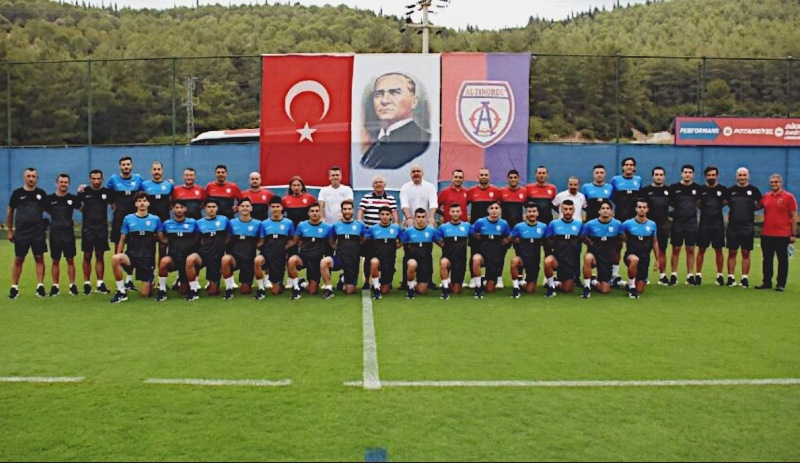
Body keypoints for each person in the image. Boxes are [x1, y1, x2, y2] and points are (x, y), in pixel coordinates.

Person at [360, 72, 431, 169]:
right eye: (379, 94)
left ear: (414, 102)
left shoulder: (423, 141)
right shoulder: (376, 143)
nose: (384, 101)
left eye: (394, 93)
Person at [108, 191, 163, 303]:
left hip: (147, 259)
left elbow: (161, 238)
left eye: (144, 201)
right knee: (115, 259)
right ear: (136, 204)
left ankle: (150, 281)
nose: (142, 203)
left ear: (148, 203)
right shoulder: (128, 219)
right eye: (139, 201)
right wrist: (119, 253)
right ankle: (121, 292)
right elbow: (122, 238)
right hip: (131, 256)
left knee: (145, 294)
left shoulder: (155, 219)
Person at [7, 167, 49, 299]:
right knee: (19, 259)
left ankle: (40, 286)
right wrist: (9, 230)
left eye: (33, 176)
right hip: (21, 232)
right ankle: (14, 287)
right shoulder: (17, 193)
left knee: (39, 258)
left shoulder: (41, 193)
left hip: (37, 232)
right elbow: (10, 211)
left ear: (37, 178)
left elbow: (50, 209)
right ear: (24, 177)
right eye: (29, 176)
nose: (31, 178)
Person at [105, 155, 144, 290]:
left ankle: (129, 280)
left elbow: (144, 193)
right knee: (118, 250)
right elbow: (106, 193)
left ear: (131, 165)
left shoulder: (138, 179)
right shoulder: (113, 179)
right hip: (119, 219)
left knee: (133, 249)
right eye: (123, 165)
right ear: (120, 166)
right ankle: (119, 282)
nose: (126, 167)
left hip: (134, 220)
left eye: (128, 164)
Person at [755, 174, 797, 292]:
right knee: (767, 259)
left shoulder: (788, 197)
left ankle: (781, 283)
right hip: (767, 234)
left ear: (780, 183)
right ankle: (767, 282)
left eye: (776, 182)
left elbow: (794, 216)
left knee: (782, 260)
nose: (774, 184)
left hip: (782, 235)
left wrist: (793, 234)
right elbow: (756, 206)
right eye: (772, 182)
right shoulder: (766, 196)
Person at [399, 163, 438, 290]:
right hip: (410, 224)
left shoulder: (430, 187)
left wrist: (431, 218)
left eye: (418, 171)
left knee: (427, 253)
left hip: (425, 224)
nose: (416, 173)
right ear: (410, 174)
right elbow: (404, 205)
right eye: (414, 171)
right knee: (407, 253)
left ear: (422, 173)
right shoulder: (405, 187)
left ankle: (428, 280)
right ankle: (405, 282)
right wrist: (409, 218)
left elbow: (433, 204)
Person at [357, 175, 399, 288]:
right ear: (372, 185)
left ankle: (385, 281)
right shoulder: (366, 197)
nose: (378, 184)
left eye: (380, 182)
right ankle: (367, 281)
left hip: (385, 234)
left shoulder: (390, 198)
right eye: (376, 182)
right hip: (371, 235)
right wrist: (362, 226)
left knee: (388, 258)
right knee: (368, 259)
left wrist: (395, 226)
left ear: (385, 185)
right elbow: (360, 213)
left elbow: (395, 214)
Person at [78, 169, 114, 295]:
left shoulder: (107, 192)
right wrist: (87, 213)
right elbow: (77, 205)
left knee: (100, 255)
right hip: (88, 229)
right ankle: (87, 284)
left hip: (101, 229)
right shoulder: (84, 191)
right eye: (94, 179)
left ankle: (100, 283)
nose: (96, 181)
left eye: (98, 179)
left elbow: (114, 206)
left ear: (102, 179)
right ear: (90, 179)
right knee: (87, 256)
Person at [185, 199, 230, 301]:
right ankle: (193, 290)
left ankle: (214, 283)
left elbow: (229, 235)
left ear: (217, 208)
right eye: (209, 207)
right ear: (205, 208)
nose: (211, 209)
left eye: (213, 207)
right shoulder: (199, 223)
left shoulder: (224, 220)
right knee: (190, 259)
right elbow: (196, 239)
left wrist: (224, 247)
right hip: (203, 254)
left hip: (216, 256)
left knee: (212, 292)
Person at [286, 202, 333, 299]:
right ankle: (296, 288)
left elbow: (331, 244)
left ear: (320, 212)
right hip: (303, 257)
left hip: (316, 260)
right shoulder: (301, 225)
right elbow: (294, 241)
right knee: (292, 260)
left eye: (317, 211)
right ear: (308, 213)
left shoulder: (327, 227)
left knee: (312, 291)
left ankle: (301, 283)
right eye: (312, 211)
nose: (314, 213)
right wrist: (281, 249)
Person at [725, 167, 762, 288]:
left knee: (746, 252)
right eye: (740, 175)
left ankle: (744, 278)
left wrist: (751, 209)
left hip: (747, 226)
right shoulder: (730, 191)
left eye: (744, 175)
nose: (742, 177)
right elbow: (726, 203)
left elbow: (760, 204)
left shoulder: (754, 190)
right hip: (733, 227)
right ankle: (731, 278)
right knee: (732, 252)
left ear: (748, 176)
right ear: (736, 176)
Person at [321, 199, 366, 298]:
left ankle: (343, 279)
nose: (347, 211)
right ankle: (328, 288)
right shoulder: (336, 226)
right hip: (339, 258)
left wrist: (355, 247)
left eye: (349, 209)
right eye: (345, 209)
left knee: (350, 291)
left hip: (353, 260)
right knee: (324, 262)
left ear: (353, 210)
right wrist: (338, 248)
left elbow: (364, 239)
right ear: (341, 211)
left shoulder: (360, 225)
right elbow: (331, 241)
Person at [155, 200, 198, 302]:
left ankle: (193, 290)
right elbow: (162, 239)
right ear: (173, 209)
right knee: (164, 262)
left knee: (183, 291)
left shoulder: (193, 223)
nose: (179, 210)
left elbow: (198, 239)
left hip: (187, 259)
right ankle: (162, 290)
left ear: (186, 209)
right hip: (174, 258)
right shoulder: (167, 224)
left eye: (181, 207)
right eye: (177, 207)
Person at [46, 173, 81, 297]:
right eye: (61, 182)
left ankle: (72, 286)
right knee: (55, 260)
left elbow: (84, 209)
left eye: (65, 182)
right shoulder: (49, 199)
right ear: (57, 183)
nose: (63, 184)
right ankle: (55, 286)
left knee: (70, 259)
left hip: (68, 233)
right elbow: (39, 210)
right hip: (55, 233)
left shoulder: (72, 198)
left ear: (69, 184)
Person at [579, 200, 623, 298]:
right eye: (603, 208)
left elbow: (621, 239)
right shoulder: (590, 224)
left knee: (605, 290)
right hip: (594, 255)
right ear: (599, 211)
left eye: (607, 208)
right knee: (588, 258)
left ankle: (593, 281)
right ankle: (587, 287)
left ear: (611, 211)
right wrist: (590, 244)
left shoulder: (617, 224)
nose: (605, 210)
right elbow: (582, 237)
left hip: (607, 258)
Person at [221, 197, 262, 299]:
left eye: (247, 206)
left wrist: (252, 247)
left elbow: (261, 241)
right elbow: (227, 239)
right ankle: (229, 288)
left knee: (245, 291)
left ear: (251, 208)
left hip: (248, 259)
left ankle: (247, 283)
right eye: (242, 206)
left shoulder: (258, 224)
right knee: (225, 259)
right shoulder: (231, 223)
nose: (245, 208)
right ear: (238, 208)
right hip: (234, 258)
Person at [254, 196, 295, 298]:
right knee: (257, 261)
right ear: (270, 208)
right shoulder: (264, 223)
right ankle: (261, 288)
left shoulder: (288, 223)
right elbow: (261, 241)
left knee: (275, 292)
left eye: (277, 206)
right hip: (267, 253)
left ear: (282, 207)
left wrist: (284, 248)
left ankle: (291, 283)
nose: (275, 209)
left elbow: (292, 240)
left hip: (280, 256)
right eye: (273, 207)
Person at [470, 201, 512, 298]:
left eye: (496, 208)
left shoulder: (503, 223)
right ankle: (478, 287)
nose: (494, 211)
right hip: (482, 254)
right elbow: (472, 231)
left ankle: (484, 280)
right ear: (488, 210)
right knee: (476, 259)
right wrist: (478, 237)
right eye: (491, 208)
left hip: (494, 256)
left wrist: (502, 242)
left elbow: (509, 235)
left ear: (500, 210)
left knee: (490, 290)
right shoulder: (480, 222)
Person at [610, 157, 641, 285]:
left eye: (631, 165)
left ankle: (635, 276)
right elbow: (612, 197)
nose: (629, 167)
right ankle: (614, 274)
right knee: (617, 247)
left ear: (634, 168)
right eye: (627, 164)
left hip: (634, 221)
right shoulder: (615, 180)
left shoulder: (638, 180)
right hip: (619, 219)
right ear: (623, 167)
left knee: (634, 248)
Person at [621, 199, 661, 299]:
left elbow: (655, 242)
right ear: (636, 209)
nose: (642, 209)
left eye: (644, 207)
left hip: (645, 258)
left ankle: (624, 284)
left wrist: (657, 260)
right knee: (634, 260)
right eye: (639, 207)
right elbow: (620, 235)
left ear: (647, 209)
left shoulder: (652, 224)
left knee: (640, 289)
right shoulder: (627, 223)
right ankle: (631, 287)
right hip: (631, 255)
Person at [668, 164, 701, 286]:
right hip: (678, 223)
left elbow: (699, 203)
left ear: (693, 174)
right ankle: (673, 274)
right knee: (676, 249)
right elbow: (670, 202)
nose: (687, 174)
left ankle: (690, 275)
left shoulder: (697, 188)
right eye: (685, 172)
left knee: (690, 249)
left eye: (690, 172)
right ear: (681, 174)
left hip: (691, 223)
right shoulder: (674, 188)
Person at [542, 200, 583, 297]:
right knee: (548, 261)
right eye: (565, 209)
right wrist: (553, 249)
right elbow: (547, 239)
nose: (568, 211)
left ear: (574, 210)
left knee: (567, 290)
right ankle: (551, 286)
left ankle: (556, 282)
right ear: (561, 210)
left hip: (570, 261)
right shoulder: (554, 224)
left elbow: (582, 239)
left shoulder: (579, 225)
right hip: (557, 259)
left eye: (570, 209)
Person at [696, 166, 728, 286]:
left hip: (718, 224)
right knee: (701, 250)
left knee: (718, 250)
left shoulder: (723, 190)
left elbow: (725, 202)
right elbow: (698, 203)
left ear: (717, 176)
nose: (711, 177)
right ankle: (698, 275)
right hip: (704, 224)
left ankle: (719, 276)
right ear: (705, 176)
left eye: (713, 175)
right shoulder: (701, 189)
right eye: (709, 175)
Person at [639, 166, 670, 285]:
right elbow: (640, 207)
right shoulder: (645, 191)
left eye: (661, 175)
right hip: (647, 226)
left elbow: (676, 204)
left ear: (664, 177)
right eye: (656, 175)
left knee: (662, 251)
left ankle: (662, 276)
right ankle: (644, 276)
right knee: (645, 252)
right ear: (652, 176)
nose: (659, 177)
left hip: (662, 226)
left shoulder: (668, 191)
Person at [509, 202, 547, 298]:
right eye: (529, 211)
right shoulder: (519, 227)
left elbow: (547, 240)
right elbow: (511, 238)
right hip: (522, 259)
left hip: (534, 261)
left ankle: (521, 282)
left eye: (534, 211)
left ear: (537, 213)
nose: (532, 214)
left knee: (530, 291)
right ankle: (516, 287)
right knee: (514, 261)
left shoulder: (543, 227)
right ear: (526, 213)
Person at [364, 206, 403, 300]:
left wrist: (394, 247)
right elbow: (365, 240)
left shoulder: (396, 228)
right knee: (374, 262)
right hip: (377, 257)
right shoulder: (373, 229)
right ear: (379, 216)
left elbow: (403, 240)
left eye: (387, 214)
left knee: (385, 291)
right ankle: (376, 287)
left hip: (389, 260)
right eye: (382, 214)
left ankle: (382, 283)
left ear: (391, 216)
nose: (384, 216)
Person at [435, 203, 472, 299]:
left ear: (461, 213)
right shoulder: (443, 227)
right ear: (449, 213)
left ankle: (451, 282)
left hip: (460, 260)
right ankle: (445, 287)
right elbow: (436, 238)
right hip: (448, 257)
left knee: (456, 291)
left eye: (457, 211)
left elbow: (474, 236)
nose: (455, 213)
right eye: (453, 211)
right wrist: (443, 245)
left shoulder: (467, 226)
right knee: (443, 263)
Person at [401, 208, 438, 299]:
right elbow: (400, 244)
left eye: (423, 217)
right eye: (418, 217)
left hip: (425, 262)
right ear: (414, 218)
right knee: (412, 264)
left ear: (426, 218)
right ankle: (410, 286)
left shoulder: (432, 231)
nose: (421, 219)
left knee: (422, 291)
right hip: (412, 260)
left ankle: (415, 284)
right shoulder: (408, 231)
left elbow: (440, 243)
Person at [141, 161, 174, 262]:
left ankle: (161, 272)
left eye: (159, 169)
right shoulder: (144, 185)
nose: (156, 171)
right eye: (154, 169)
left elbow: (173, 201)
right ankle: (150, 271)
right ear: (151, 171)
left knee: (163, 248)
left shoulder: (169, 185)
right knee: (149, 251)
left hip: (164, 221)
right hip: (149, 222)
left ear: (162, 171)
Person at [282, 175, 317, 259]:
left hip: (306, 232)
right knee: (291, 256)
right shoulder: (285, 199)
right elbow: (281, 215)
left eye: (298, 185)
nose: (296, 187)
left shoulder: (310, 198)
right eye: (294, 185)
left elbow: (316, 213)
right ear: (290, 187)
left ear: (302, 186)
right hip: (292, 232)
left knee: (308, 256)